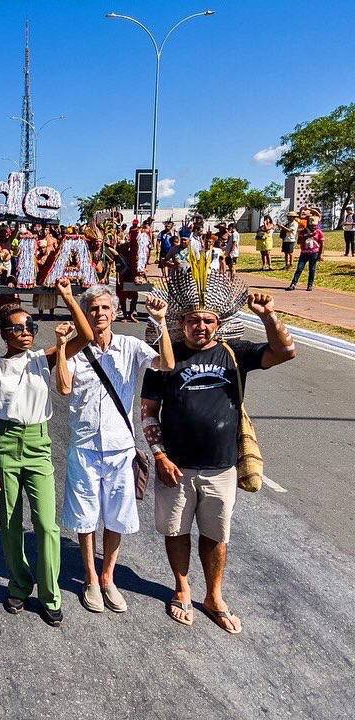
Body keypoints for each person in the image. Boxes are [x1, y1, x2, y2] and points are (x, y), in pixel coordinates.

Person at [140, 253, 295, 633]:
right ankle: (181, 587)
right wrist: (159, 455)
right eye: (193, 320)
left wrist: (269, 316)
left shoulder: (234, 353)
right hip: (176, 466)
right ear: (182, 323)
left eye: (208, 320)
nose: (201, 326)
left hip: (221, 466)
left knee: (215, 535)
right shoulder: (166, 358)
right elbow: (148, 411)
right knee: (176, 531)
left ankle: (214, 595)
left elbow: (285, 352)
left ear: (219, 324)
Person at [0, 278, 93, 625]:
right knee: (11, 525)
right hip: (4, 445)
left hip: (38, 443)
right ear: (5, 334)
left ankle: (50, 593)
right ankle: (18, 584)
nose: (27, 332)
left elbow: (85, 337)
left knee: (46, 524)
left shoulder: (44, 358)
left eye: (31, 326)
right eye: (18, 327)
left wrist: (69, 299)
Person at [55, 285, 174, 614]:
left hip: (121, 447)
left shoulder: (129, 346)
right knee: (85, 516)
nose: (99, 314)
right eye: (93, 309)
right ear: (85, 313)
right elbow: (64, 388)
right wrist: (64, 348)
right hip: (85, 447)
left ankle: (108, 576)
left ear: (115, 312)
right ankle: (91, 577)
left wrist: (160, 322)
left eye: (105, 308)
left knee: (117, 517)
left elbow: (166, 363)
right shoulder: (76, 350)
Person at [288, 209, 323, 291]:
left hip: (314, 253)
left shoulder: (319, 232)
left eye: (315, 225)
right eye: (312, 226)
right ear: (309, 225)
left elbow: (322, 244)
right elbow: (299, 242)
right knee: (299, 268)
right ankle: (293, 283)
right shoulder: (303, 231)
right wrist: (306, 236)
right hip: (304, 253)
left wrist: (320, 254)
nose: (314, 227)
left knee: (312, 269)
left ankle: (310, 285)